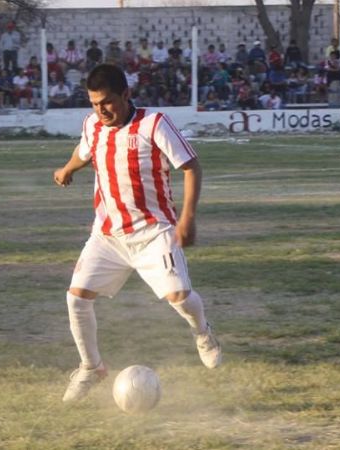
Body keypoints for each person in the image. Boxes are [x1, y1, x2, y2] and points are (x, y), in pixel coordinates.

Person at [52, 64, 222, 403]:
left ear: (126, 95)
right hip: (108, 235)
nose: (101, 111)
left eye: (108, 103)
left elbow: (191, 166)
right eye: (94, 104)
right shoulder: (93, 125)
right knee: (76, 299)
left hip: (154, 232)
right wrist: (68, 168)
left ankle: (203, 332)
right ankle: (91, 367)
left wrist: (187, 217)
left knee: (180, 299)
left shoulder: (153, 124)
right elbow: (85, 150)